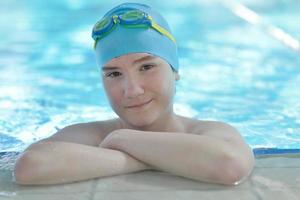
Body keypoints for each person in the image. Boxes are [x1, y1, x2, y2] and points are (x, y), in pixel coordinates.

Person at [13, 2, 254, 186]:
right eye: (114, 74)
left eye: (146, 67)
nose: (132, 90)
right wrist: (152, 157)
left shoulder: (207, 131)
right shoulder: (93, 133)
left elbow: (231, 166)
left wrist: (121, 140)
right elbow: (29, 165)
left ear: (175, 70)